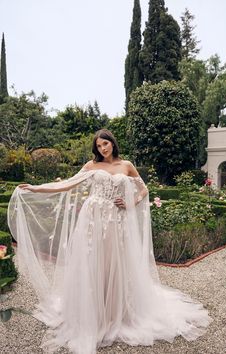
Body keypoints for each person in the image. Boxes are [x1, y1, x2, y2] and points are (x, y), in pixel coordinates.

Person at [8, 129, 211, 354]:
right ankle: (92, 312)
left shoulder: (127, 165)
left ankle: (116, 312)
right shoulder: (91, 166)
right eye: (99, 146)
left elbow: (144, 189)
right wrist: (36, 188)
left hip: (116, 221)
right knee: (93, 262)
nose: (103, 149)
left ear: (112, 143)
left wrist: (131, 202)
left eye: (105, 144)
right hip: (92, 220)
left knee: (116, 263)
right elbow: (66, 184)